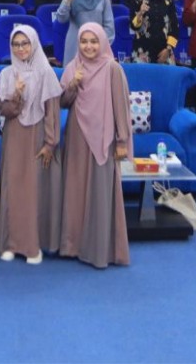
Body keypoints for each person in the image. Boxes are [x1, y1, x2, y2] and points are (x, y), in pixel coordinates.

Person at [55, 21, 131, 270]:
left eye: (93, 41)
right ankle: (73, 246)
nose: (88, 46)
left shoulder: (112, 68)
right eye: (84, 41)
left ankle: (101, 250)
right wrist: (73, 83)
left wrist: (122, 142)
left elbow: (121, 107)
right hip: (77, 137)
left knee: (100, 191)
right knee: (75, 189)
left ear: (102, 42)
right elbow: (62, 103)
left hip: (104, 138)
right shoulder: (72, 66)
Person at [0, 23, 63, 264]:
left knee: (33, 190)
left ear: (34, 44)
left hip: (38, 136)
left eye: (25, 43)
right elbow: (3, 111)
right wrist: (17, 94)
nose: (20, 48)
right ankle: (10, 243)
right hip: (14, 135)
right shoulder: (6, 75)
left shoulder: (47, 73)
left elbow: (52, 112)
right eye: (15, 44)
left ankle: (33, 245)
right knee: (13, 187)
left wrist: (50, 144)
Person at [128, 0, 177, 64]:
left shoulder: (168, 0)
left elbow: (175, 28)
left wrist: (168, 49)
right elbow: (134, 27)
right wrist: (140, 13)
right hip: (142, 52)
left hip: (165, 51)